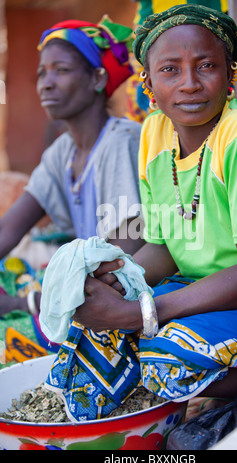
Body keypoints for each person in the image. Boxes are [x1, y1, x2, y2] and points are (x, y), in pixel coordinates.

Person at [42, 4, 237, 422]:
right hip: (204, 289)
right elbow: (162, 246)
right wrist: (116, 278)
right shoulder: (155, 132)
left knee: (166, 360)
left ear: (231, 73)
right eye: (170, 70)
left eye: (206, 66)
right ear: (147, 81)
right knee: (91, 336)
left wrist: (141, 312)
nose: (190, 84)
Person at [0, 18, 143, 330]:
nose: (46, 83)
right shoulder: (62, 153)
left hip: (125, 300)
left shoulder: (121, 141)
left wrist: (25, 303)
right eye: (42, 72)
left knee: (11, 336)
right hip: (84, 291)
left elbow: (120, 260)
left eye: (61, 70)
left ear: (97, 78)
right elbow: (8, 230)